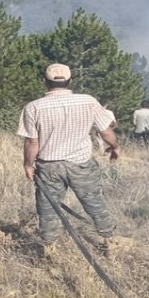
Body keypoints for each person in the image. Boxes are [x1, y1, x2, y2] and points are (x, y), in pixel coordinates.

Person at [17, 63, 120, 248]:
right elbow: (105, 132)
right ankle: (109, 241)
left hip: (49, 167)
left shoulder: (33, 107)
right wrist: (115, 147)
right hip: (81, 164)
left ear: (44, 82)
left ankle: (50, 247)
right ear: (70, 81)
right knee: (94, 202)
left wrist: (28, 165)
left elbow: (32, 142)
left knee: (49, 209)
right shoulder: (88, 101)